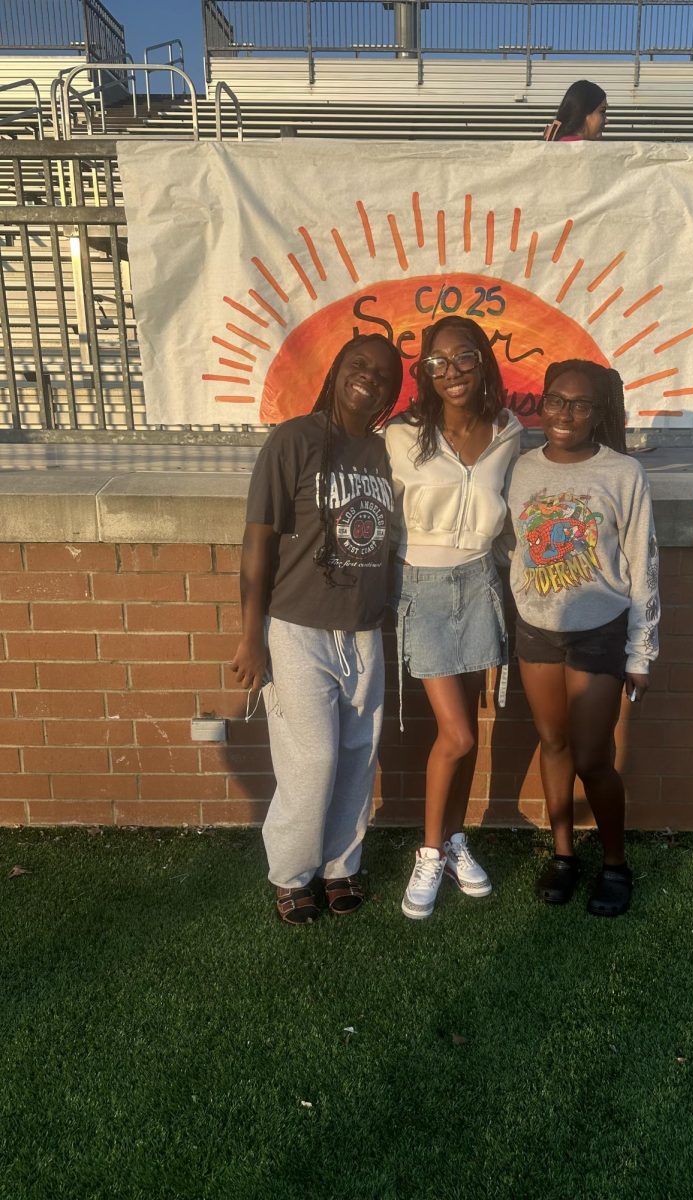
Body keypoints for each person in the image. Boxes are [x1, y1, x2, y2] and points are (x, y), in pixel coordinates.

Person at [230, 334, 403, 925]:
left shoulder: (384, 453)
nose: (370, 378)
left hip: (362, 633)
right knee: (312, 760)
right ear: (335, 369)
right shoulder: (294, 440)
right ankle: (291, 874)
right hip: (297, 627)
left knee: (358, 754)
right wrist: (251, 636)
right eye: (359, 364)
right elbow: (258, 540)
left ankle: (340, 866)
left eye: (384, 374)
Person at [506, 360, 659, 917]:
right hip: (537, 630)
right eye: (554, 400)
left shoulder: (623, 474)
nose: (564, 414)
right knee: (553, 744)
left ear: (599, 414)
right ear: (540, 404)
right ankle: (565, 853)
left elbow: (642, 566)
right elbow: (514, 546)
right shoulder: (521, 468)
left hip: (599, 631)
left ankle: (615, 863)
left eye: (579, 404)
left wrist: (641, 651)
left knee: (593, 757)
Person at [385, 316, 522, 920]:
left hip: (482, 582)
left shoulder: (510, 432)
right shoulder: (401, 435)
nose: (451, 372)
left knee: (469, 732)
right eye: (436, 363)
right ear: (425, 374)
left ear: (483, 361)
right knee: (457, 733)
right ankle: (430, 851)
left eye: (462, 357)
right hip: (426, 587)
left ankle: (457, 839)